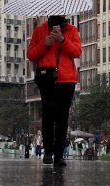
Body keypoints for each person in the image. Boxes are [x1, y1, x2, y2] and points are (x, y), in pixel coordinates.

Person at [28, 15, 82, 166]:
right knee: (48, 115)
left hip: (67, 80)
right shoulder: (40, 30)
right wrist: (44, 44)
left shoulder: (71, 30)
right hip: (47, 79)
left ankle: (59, 154)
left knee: (62, 118)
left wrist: (62, 40)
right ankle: (48, 152)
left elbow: (77, 52)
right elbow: (31, 54)